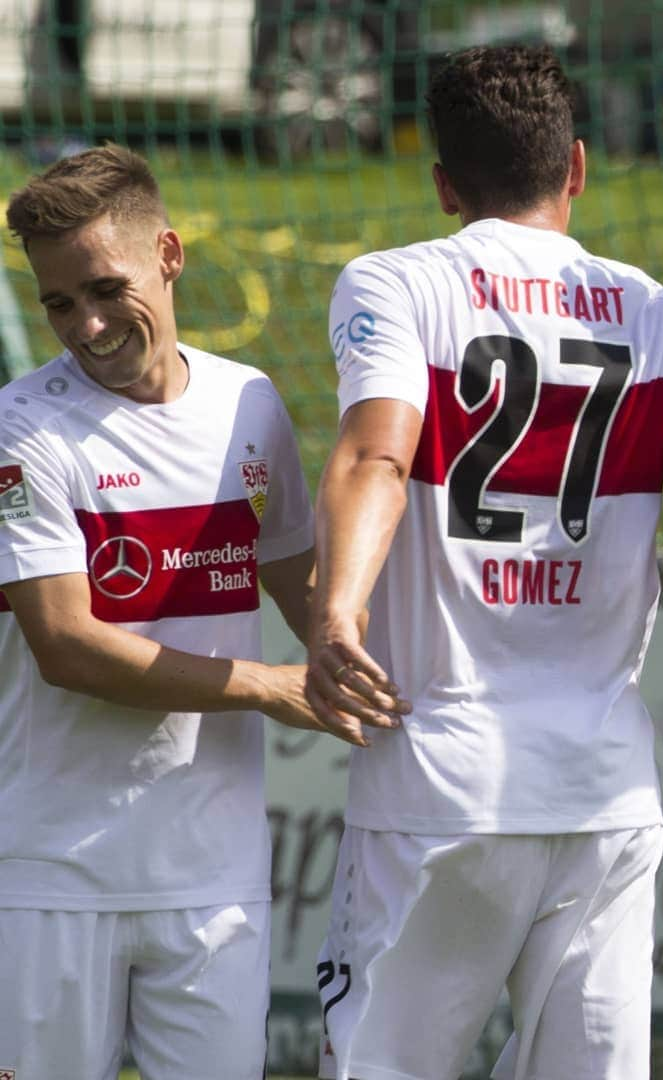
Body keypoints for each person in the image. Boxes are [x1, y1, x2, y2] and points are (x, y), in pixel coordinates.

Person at [305, 43, 663, 1080]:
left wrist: (334, 616)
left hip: (437, 780)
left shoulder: (393, 284)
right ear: (576, 165)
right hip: (603, 797)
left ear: (444, 184)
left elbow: (377, 454)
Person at [0, 144, 368, 1080]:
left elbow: (307, 592)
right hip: (51, 881)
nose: (84, 324)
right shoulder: (20, 429)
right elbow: (66, 647)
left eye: (102, 288)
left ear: (168, 254)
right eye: (56, 303)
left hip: (215, 885)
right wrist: (269, 687)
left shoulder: (250, 402)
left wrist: (377, 665)